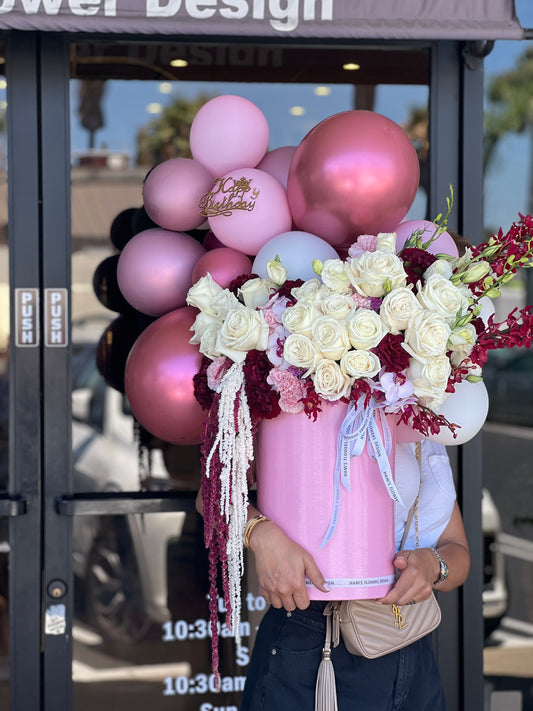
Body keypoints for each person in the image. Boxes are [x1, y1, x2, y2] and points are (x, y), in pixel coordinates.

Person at [239, 437, 470, 711]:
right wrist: (261, 533)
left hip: (410, 642)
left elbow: (458, 552)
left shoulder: (424, 429)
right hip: (319, 636)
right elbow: (212, 496)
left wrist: (434, 565)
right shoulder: (300, 402)